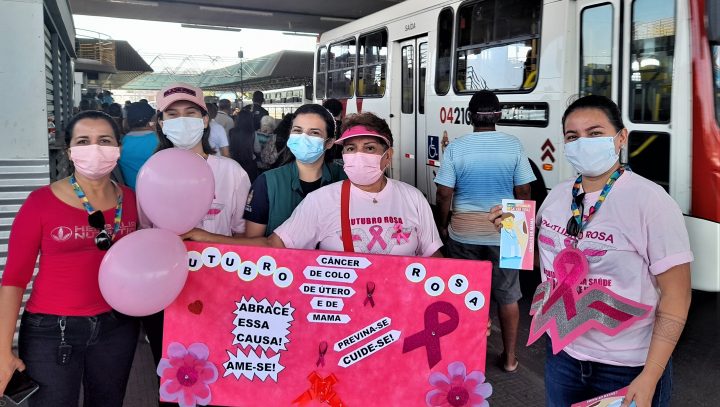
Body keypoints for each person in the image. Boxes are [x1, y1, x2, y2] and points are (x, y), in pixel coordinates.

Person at [525, 95, 692, 407]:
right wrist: (508, 230)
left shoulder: (650, 202)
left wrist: (650, 375)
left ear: (621, 137)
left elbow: (677, 296)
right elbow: (547, 267)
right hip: (563, 356)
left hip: (627, 368)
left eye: (595, 133)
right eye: (572, 137)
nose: (582, 143)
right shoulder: (556, 198)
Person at [0, 110, 140, 406]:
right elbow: (14, 279)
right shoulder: (40, 203)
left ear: (118, 147)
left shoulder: (132, 200)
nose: (95, 149)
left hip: (117, 326)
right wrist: (2, 351)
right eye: (84, 141)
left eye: (104, 140)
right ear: (70, 150)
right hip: (51, 331)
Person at [185, 112, 442, 258]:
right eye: (351, 148)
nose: (358, 155)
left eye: (370, 148)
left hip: (404, 310)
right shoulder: (322, 200)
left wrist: (466, 310)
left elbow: (435, 259)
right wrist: (204, 237)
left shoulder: (413, 198)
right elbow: (272, 245)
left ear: (388, 154)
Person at [143, 83, 251, 378]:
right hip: (168, 294)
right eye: (173, 115)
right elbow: (145, 232)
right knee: (174, 378)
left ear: (205, 121)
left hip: (222, 290)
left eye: (190, 113)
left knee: (221, 375)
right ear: (162, 125)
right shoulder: (151, 172)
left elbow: (243, 236)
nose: (182, 121)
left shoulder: (231, 172)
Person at [434, 89, 535, 373]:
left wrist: (443, 224)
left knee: (464, 294)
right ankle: (510, 358)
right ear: (499, 116)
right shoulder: (513, 145)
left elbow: (443, 194)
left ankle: (465, 356)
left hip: (463, 232)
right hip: (508, 229)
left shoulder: (456, 147)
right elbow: (524, 189)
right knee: (508, 295)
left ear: (469, 116)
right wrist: (522, 229)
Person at [243, 104, 345, 237]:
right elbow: (253, 242)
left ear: (329, 142)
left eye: (314, 133)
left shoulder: (343, 180)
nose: (303, 137)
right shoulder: (267, 183)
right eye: (297, 131)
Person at [118, 101, 158, 190]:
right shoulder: (162, 142)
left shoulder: (121, 144)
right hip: (158, 194)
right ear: (152, 120)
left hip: (132, 195)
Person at [228, 110, 259, 182]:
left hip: (234, 163)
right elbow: (257, 149)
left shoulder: (231, 132)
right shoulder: (253, 133)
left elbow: (228, 147)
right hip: (250, 164)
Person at [322, 98, 344, 162]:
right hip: (341, 161)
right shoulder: (345, 127)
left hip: (324, 161)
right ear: (340, 112)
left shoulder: (320, 128)